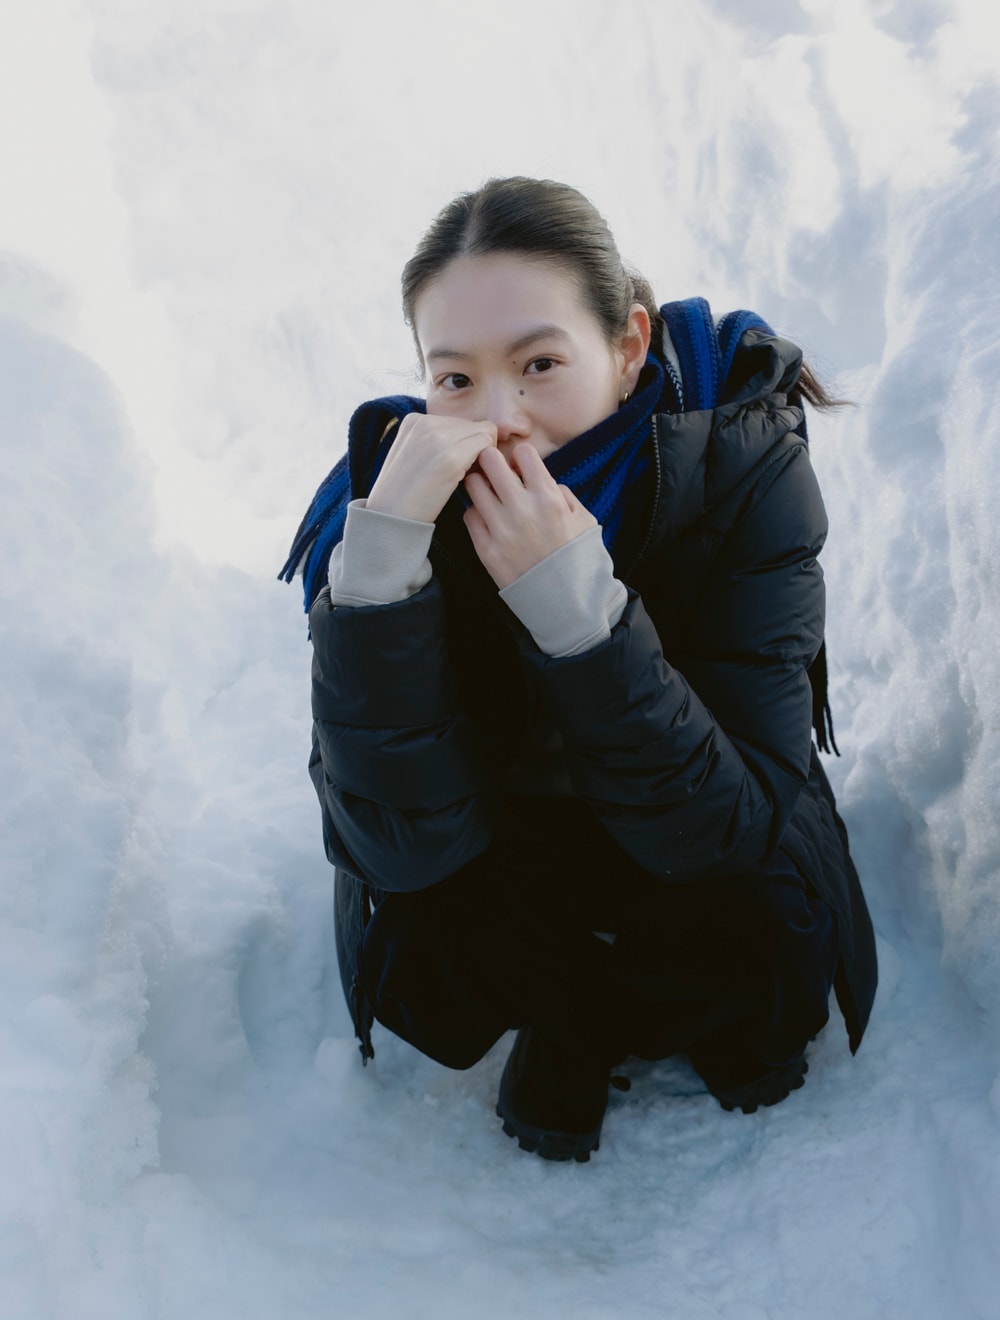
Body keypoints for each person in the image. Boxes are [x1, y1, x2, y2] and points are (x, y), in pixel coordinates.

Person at [280, 176, 878, 1163]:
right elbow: (394, 843)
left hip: (697, 812)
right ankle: (568, 1018)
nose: (501, 420)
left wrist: (583, 621)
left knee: (759, 947)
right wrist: (378, 583)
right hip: (511, 828)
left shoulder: (742, 459)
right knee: (429, 931)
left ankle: (673, 1005)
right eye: (456, 378)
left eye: (540, 363)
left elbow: (733, 821)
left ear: (628, 344)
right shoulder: (394, 498)